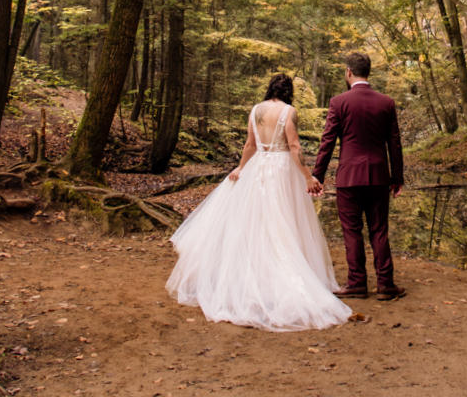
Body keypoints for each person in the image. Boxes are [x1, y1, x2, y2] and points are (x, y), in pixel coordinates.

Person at [165, 73, 351, 331]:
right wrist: (308, 177)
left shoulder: (255, 110)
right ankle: (282, 282)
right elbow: (295, 146)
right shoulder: (289, 111)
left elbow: (250, 145)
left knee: (256, 225)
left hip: (259, 168)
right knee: (285, 224)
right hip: (282, 171)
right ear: (288, 92)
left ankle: (254, 281)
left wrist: (241, 169)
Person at [312, 52, 406, 301]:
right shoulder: (386, 102)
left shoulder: (338, 102)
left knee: (352, 231)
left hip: (349, 177)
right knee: (379, 230)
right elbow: (394, 144)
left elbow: (328, 141)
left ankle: (357, 283)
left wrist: (317, 176)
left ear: (349, 72)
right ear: (368, 72)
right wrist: (398, 178)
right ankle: (385, 284)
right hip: (378, 175)